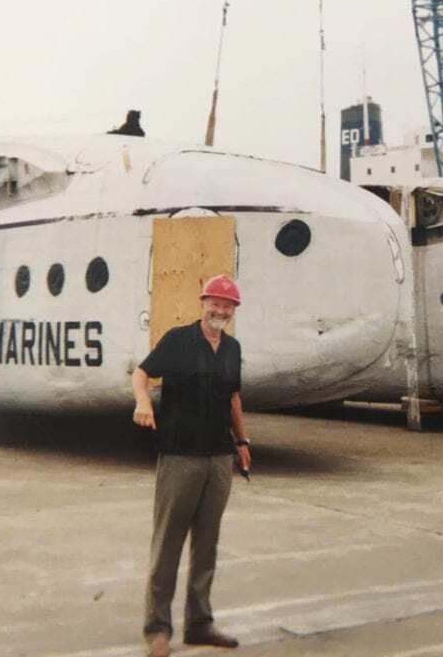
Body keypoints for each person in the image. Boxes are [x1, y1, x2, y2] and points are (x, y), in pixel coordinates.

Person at [132, 274, 250, 657]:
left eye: (227, 305)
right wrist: (143, 402)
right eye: (214, 302)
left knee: (206, 543)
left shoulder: (232, 349)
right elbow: (141, 373)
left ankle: (199, 623)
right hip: (180, 455)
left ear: (234, 311)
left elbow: (234, 398)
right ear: (203, 303)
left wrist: (243, 441)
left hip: (219, 457)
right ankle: (158, 629)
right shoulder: (178, 340)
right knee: (168, 543)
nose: (220, 310)